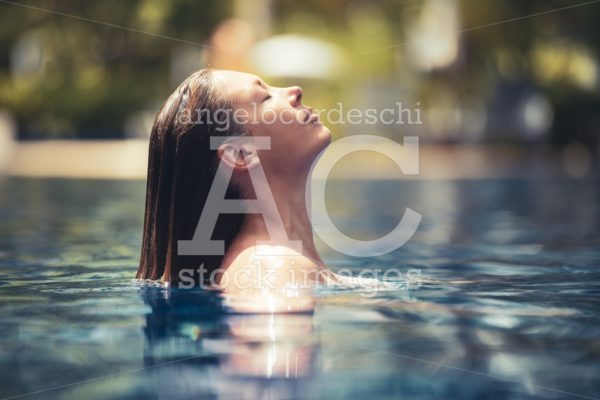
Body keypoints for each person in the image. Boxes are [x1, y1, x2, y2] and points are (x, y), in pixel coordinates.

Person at [136, 68, 335, 309]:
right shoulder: (272, 267)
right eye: (266, 97)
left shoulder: (280, 264)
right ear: (239, 154)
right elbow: (278, 345)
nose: (295, 91)